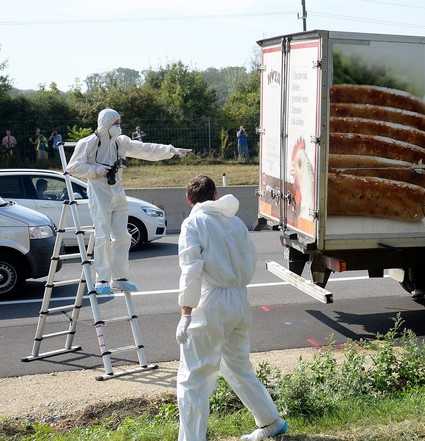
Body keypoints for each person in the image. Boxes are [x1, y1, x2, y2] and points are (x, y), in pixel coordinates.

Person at [175, 175, 287, 441]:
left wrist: (186, 312)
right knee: (238, 367)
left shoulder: (193, 223)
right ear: (215, 195)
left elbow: (190, 270)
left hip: (211, 302)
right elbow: (250, 260)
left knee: (193, 378)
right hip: (238, 300)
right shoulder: (236, 223)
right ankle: (270, 421)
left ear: (189, 200)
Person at [67, 108, 191, 295]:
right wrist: (96, 170)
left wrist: (171, 150)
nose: (119, 126)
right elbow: (72, 167)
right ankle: (102, 279)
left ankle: (119, 277)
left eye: (119, 123)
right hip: (98, 191)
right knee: (102, 235)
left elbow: (145, 149)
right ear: (106, 123)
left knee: (123, 236)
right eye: (115, 123)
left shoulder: (120, 142)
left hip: (117, 189)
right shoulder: (88, 143)